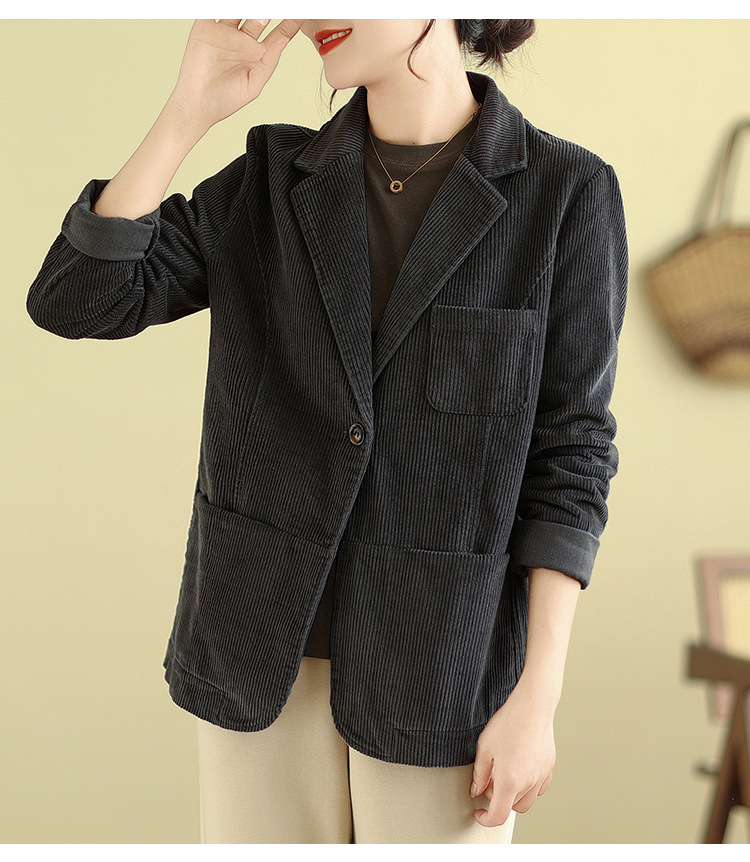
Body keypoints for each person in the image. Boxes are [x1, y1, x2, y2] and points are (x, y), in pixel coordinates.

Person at [26, 19, 628, 844]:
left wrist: (539, 695)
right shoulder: (270, 182)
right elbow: (77, 299)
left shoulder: (565, 191)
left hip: (443, 663)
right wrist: (186, 112)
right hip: (257, 649)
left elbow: (571, 455)